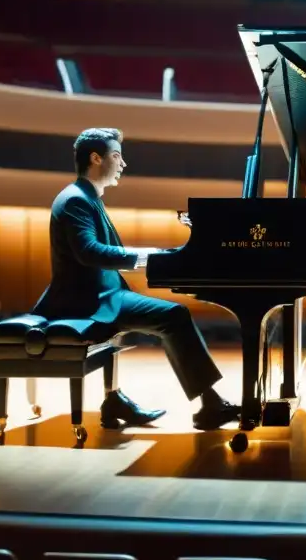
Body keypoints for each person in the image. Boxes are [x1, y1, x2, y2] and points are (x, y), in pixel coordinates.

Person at [30, 128, 239, 431]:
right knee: (175, 316)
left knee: (173, 316)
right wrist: (154, 257)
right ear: (95, 158)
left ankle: (118, 400)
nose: (123, 163)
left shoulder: (85, 198)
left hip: (101, 296)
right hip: (87, 302)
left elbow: (103, 255)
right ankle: (210, 405)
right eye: (117, 156)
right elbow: (90, 253)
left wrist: (160, 255)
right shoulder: (75, 200)